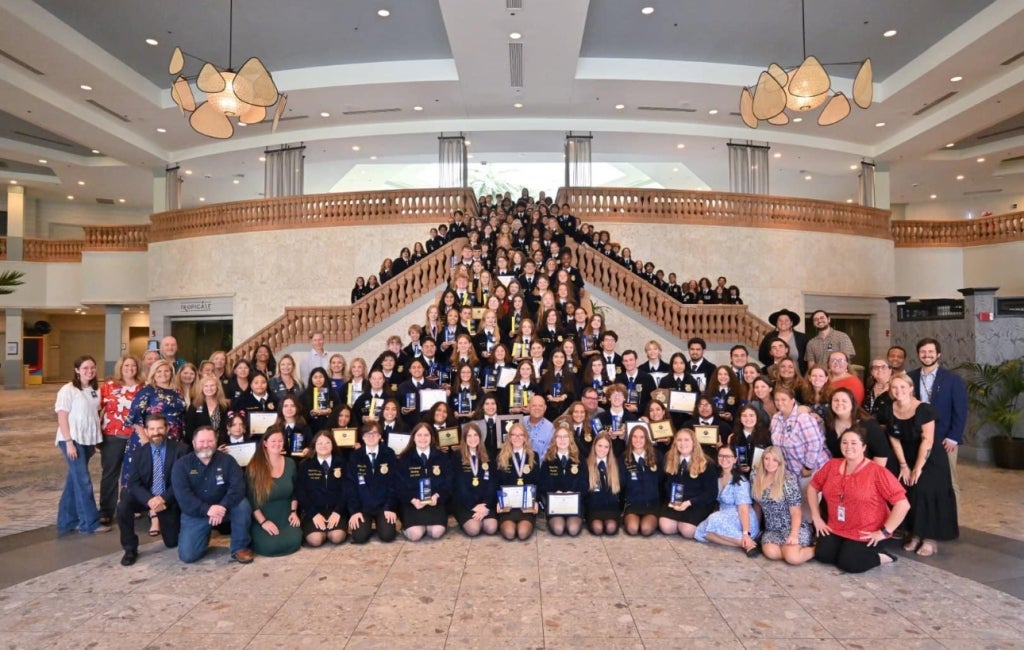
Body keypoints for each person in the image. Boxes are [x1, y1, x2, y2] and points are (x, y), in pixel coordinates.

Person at [808, 428, 909, 573]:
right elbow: (813, 487)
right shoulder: (832, 465)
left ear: (863, 447)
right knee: (823, 555)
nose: (849, 447)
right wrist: (816, 517)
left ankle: (883, 556)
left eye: (854, 443)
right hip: (837, 526)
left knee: (850, 564)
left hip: (866, 532)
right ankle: (845, 548)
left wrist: (884, 532)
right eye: (845, 442)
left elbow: (903, 504)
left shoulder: (877, 472)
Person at [888, 372, 959, 557]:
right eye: (894, 387)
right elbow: (894, 438)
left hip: (931, 458)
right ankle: (915, 534)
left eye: (903, 387)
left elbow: (927, 440)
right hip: (907, 456)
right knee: (910, 491)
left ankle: (930, 538)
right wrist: (904, 465)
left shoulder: (924, 409)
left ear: (911, 388)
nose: (899, 391)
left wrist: (918, 468)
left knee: (926, 492)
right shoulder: (889, 409)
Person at [172, 426, 254, 563]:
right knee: (188, 556)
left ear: (215, 442)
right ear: (193, 443)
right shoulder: (181, 465)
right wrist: (208, 509)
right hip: (196, 513)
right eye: (201, 441)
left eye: (210, 441)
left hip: (225, 509)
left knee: (243, 505)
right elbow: (183, 496)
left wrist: (222, 506)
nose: (206, 445)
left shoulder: (228, 461)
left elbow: (238, 488)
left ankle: (240, 547)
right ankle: (202, 536)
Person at [906, 338, 967, 512]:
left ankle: (954, 521)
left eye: (931, 352)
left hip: (944, 439)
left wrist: (954, 437)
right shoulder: (910, 377)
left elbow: (960, 411)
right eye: (923, 352)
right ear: (918, 354)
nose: (927, 355)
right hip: (917, 438)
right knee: (920, 479)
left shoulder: (952, 379)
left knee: (949, 480)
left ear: (938, 354)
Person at [117, 415, 187, 565]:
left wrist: (163, 499)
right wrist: (150, 500)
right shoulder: (139, 453)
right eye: (152, 429)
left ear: (167, 429)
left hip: (169, 499)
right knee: (124, 505)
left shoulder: (181, 450)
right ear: (147, 431)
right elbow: (134, 483)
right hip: (147, 498)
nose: (156, 432)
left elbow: (181, 481)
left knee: (172, 542)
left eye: (160, 428)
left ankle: (163, 521)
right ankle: (130, 548)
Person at [55, 355, 110, 535]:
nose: (89, 371)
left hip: (86, 441)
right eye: (85, 368)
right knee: (84, 482)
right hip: (72, 440)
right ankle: (89, 523)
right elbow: (62, 416)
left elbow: (93, 415)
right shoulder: (68, 390)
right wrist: (69, 442)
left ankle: (66, 521)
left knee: (74, 481)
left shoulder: (94, 389)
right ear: (77, 370)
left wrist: (93, 442)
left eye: (92, 368)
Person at [123, 359, 186, 502]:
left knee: (166, 472)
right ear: (154, 373)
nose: (163, 374)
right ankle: (139, 503)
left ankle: (163, 502)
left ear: (171, 373)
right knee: (145, 472)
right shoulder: (147, 391)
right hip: (150, 437)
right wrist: (145, 440)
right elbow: (135, 417)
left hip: (172, 438)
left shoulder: (177, 391)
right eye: (159, 371)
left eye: (167, 371)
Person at [770, 386, 828, 520]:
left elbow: (815, 443)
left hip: (811, 468)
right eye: (777, 399)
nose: (780, 403)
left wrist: (808, 466)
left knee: (809, 510)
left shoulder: (803, 418)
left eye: (784, 399)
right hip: (791, 470)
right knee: (797, 509)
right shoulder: (776, 418)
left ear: (793, 400)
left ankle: (814, 535)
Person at [751, 446, 814, 565]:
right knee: (771, 553)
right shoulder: (755, 476)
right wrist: (755, 530)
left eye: (775, 460)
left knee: (792, 558)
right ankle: (790, 551)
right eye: (767, 459)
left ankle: (817, 549)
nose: (770, 463)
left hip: (792, 527)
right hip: (772, 529)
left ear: (780, 462)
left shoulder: (787, 481)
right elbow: (757, 505)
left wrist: (794, 534)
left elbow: (796, 511)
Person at [99, 355, 142, 525]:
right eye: (126, 365)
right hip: (112, 435)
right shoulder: (109, 386)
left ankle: (132, 506)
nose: (130, 368)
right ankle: (106, 510)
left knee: (133, 473)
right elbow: (97, 409)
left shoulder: (143, 387)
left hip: (136, 437)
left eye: (133, 365)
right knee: (110, 473)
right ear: (120, 367)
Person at [694, 445, 759, 555]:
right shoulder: (716, 477)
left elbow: (743, 509)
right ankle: (746, 544)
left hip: (742, 519)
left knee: (713, 519)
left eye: (728, 456)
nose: (724, 459)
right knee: (699, 532)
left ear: (735, 459)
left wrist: (745, 533)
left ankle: (746, 539)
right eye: (721, 456)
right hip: (724, 516)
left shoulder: (741, 481)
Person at [246, 428, 302, 556]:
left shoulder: (290, 463)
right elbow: (252, 500)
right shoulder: (254, 466)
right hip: (263, 515)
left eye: (280, 440)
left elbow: (295, 492)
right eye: (273, 441)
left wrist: (294, 512)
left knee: (294, 542)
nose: (277, 444)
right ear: (265, 443)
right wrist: (263, 522)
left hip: (286, 514)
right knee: (269, 547)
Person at [396, 422, 452, 541]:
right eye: (419, 435)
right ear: (414, 438)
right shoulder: (404, 458)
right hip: (413, 504)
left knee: (436, 532)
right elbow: (399, 486)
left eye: (426, 435)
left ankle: (427, 525)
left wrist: (437, 496)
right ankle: (410, 527)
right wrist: (412, 499)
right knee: (415, 535)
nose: (423, 438)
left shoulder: (442, 457)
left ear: (431, 437)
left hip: (435, 502)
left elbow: (448, 482)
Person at [658, 428, 717, 539]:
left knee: (687, 531)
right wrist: (672, 501)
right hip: (675, 503)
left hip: (696, 504)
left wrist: (690, 502)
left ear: (694, 442)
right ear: (675, 443)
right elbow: (665, 483)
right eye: (679, 440)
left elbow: (711, 492)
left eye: (686, 440)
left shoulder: (707, 463)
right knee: (666, 527)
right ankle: (679, 523)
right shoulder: (669, 458)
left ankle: (683, 524)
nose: (682, 443)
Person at [345, 423, 399, 543]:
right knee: (359, 537)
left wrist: (390, 507)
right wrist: (355, 511)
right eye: (367, 434)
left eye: (374, 433)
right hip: (363, 507)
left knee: (387, 535)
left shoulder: (389, 453)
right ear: (362, 437)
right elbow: (350, 485)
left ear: (380, 436)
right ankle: (368, 526)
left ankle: (380, 526)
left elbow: (394, 483)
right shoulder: (355, 456)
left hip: (383, 506)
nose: (371, 436)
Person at [493, 422, 539, 541]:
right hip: (508, 505)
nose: (517, 438)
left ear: (525, 437)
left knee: (523, 533)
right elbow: (496, 482)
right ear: (509, 437)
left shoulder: (534, 456)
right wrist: (498, 501)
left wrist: (536, 501)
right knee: (509, 533)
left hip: (526, 504)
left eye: (520, 435)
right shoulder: (500, 456)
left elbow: (538, 482)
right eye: (514, 435)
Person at [538, 425, 587, 536]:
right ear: (554, 440)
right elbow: (542, 484)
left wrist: (574, 492)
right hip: (556, 504)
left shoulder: (579, 459)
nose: (562, 440)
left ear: (570, 439)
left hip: (574, 503)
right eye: (559, 437)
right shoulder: (548, 459)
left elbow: (585, 483)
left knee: (573, 529)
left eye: (565, 437)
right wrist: (555, 492)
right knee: (558, 529)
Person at [823, 388, 891, 468]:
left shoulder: (868, 424)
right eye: (836, 400)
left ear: (852, 404)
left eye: (844, 401)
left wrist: (867, 478)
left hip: (872, 470)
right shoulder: (829, 423)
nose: (839, 403)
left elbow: (881, 456)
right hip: (845, 470)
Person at [450, 423, 498, 537]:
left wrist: (485, 504)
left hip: (484, 502)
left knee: (492, 527)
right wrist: (473, 506)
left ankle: (481, 515)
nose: (473, 439)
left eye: (475, 435)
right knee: (474, 529)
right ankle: (468, 520)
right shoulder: (456, 457)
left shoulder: (488, 455)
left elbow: (493, 483)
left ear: (480, 437)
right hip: (465, 503)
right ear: (464, 439)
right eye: (469, 436)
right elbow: (458, 485)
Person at [622, 424, 662, 536]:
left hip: (651, 504)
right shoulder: (624, 458)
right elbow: (622, 483)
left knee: (646, 529)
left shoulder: (657, 456)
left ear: (647, 439)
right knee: (632, 529)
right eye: (634, 437)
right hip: (632, 504)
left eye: (642, 437)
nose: (638, 440)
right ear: (630, 439)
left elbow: (662, 479)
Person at [583, 433, 622, 535]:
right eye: (600, 445)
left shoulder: (616, 464)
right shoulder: (586, 465)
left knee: (611, 528)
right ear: (594, 446)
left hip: (611, 508)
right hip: (593, 508)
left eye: (606, 447)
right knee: (598, 528)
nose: (602, 449)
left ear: (609, 449)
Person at [758, 308, 809, 373]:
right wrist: (775, 366)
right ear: (776, 323)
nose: (783, 322)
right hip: (775, 374)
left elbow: (807, 357)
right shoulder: (769, 337)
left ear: (791, 323)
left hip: (798, 374)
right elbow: (762, 356)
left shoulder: (802, 338)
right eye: (780, 320)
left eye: (786, 320)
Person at [727, 405, 773, 477]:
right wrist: (738, 466)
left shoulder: (766, 436)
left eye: (751, 415)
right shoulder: (733, 437)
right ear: (740, 419)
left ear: (757, 417)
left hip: (761, 476)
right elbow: (731, 459)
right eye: (744, 416)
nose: (748, 419)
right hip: (740, 477)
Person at [184, 375, 230, 445]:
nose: (209, 388)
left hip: (220, 445)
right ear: (201, 388)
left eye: (212, 385)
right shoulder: (195, 406)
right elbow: (189, 430)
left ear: (217, 387)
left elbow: (226, 428)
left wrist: (220, 445)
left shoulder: (224, 405)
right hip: (200, 445)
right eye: (206, 386)